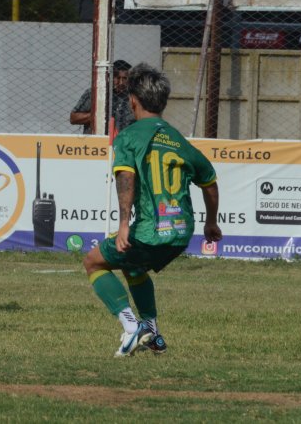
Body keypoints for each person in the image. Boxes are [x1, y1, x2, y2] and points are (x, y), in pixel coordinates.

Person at [82, 63, 221, 357]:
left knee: (94, 262)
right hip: (182, 233)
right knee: (133, 266)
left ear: (133, 100)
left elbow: (126, 177)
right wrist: (211, 223)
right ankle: (153, 334)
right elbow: (209, 181)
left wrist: (123, 225)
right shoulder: (179, 140)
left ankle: (132, 328)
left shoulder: (130, 136)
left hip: (151, 232)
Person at [70, 59, 134, 134]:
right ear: (110, 77)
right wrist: (98, 115)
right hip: (97, 142)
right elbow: (73, 118)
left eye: (124, 78)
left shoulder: (133, 97)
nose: (121, 82)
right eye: (117, 78)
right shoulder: (94, 93)